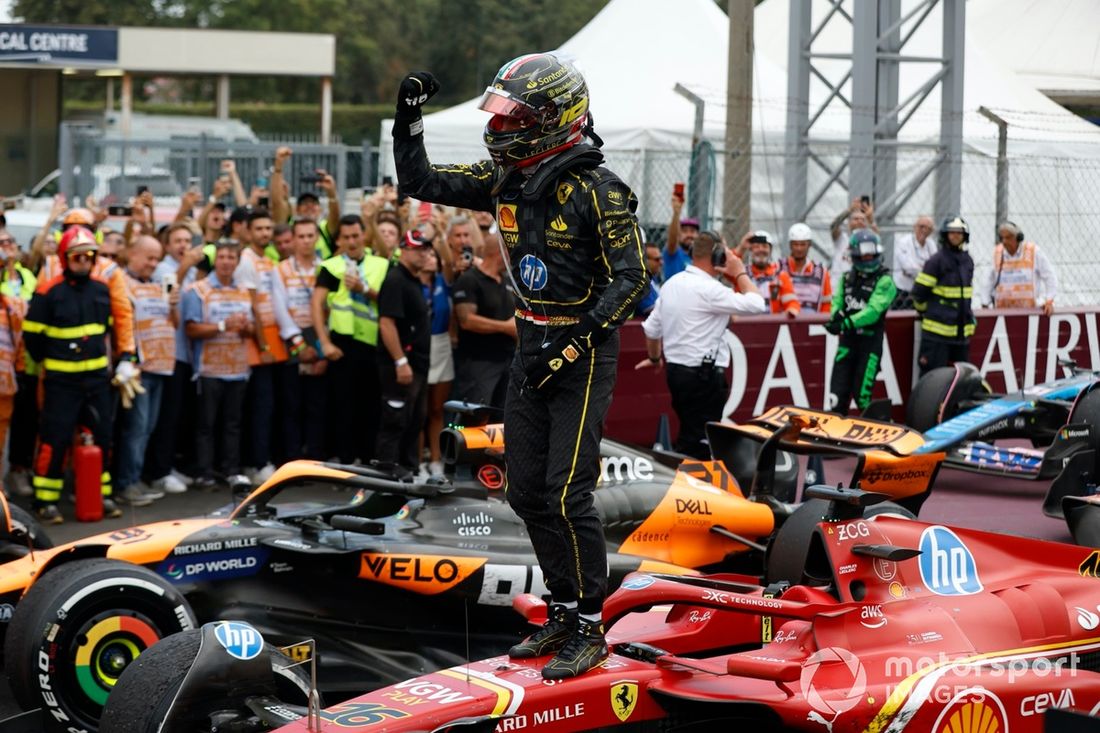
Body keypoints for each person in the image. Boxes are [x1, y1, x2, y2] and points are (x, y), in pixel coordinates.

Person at [393, 55, 648, 678]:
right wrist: (408, 119)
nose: (502, 127)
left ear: (554, 120)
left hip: (584, 352)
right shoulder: (503, 176)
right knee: (526, 491)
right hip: (532, 344)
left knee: (567, 491)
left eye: (516, 116)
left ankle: (591, 625)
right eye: (501, 114)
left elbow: (632, 279)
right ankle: (562, 610)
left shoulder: (600, 189)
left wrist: (574, 340)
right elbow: (421, 182)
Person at [24, 226, 138, 523]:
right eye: (77, 257)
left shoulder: (102, 289)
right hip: (62, 383)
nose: (84, 261)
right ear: (64, 259)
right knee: (55, 439)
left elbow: (115, 327)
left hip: (97, 381)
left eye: (89, 256)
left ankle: (102, 495)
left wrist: (126, 358)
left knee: (102, 437)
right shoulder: (48, 293)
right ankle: (44, 501)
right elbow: (33, 338)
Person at [639, 231, 765, 457]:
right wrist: (740, 274)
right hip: (703, 379)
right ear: (717, 255)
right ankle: (692, 489)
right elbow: (756, 303)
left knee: (691, 435)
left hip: (677, 373)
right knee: (699, 444)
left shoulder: (672, 284)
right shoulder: (709, 289)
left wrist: (655, 358)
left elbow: (651, 329)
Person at [311, 215, 390, 465]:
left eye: (356, 235)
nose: (352, 241)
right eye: (346, 237)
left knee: (372, 407)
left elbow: (389, 301)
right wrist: (324, 343)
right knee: (343, 407)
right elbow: (316, 304)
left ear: (364, 235)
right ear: (339, 240)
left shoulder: (381, 264)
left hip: (374, 344)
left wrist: (364, 289)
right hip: (343, 345)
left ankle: (368, 461)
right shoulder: (332, 266)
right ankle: (346, 462)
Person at [182, 240, 253, 490]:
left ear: (237, 262)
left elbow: (252, 329)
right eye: (221, 257)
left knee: (233, 424)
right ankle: (204, 472)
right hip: (208, 369)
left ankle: (231, 470)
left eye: (231, 258)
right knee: (206, 424)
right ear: (215, 261)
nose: (226, 262)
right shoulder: (198, 290)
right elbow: (190, 328)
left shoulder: (244, 291)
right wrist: (223, 326)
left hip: (237, 370)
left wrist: (246, 328)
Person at [116, 236, 179, 505]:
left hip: (161, 366)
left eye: (157, 259)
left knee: (148, 428)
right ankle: (125, 484)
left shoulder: (159, 285)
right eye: (149, 258)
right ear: (132, 254)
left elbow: (173, 322)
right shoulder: (122, 281)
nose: (153, 264)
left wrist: (173, 303)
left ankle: (135, 479)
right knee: (136, 428)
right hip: (138, 369)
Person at [236, 209, 295, 483]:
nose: (264, 233)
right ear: (248, 231)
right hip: (258, 347)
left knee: (271, 406)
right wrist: (263, 345)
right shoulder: (246, 261)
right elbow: (253, 306)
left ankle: (263, 459)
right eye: (259, 229)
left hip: (274, 342)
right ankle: (258, 463)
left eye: (267, 228)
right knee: (261, 407)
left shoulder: (268, 260)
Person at [375, 230, 433, 475]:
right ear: (404, 250)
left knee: (415, 420)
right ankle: (387, 472)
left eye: (425, 249)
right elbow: (386, 323)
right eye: (418, 249)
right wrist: (400, 361)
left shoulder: (412, 279)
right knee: (395, 420)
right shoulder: (396, 280)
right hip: (401, 365)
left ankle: (409, 470)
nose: (424, 254)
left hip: (417, 364)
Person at [825, 230, 897, 413]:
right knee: (835, 398)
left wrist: (845, 323)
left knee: (862, 396)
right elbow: (837, 302)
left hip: (870, 344)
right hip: (847, 344)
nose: (868, 258)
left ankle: (883, 432)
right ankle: (834, 436)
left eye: (871, 254)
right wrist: (835, 317)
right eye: (864, 255)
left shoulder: (885, 281)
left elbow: (872, 312)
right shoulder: (845, 278)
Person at [275, 218, 325, 460]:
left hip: (319, 342)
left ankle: (315, 458)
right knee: (291, 406)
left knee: (317, 406)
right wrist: (300, 345)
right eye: (301, 236)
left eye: (310, 235)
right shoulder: (281, 269)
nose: (306, 241)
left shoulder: (325, 267)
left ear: (316, 237)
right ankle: (292, 459)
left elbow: (330, 309)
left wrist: (321, 348)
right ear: (293, 239)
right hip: (292, 343)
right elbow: (280, 310)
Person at [451, 231, 516, 409]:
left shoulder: (507, 281)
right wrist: (506, 328)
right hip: (478, 362)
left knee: (501, 418)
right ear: (501, 252)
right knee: (475, 416)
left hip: (506, 360)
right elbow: (467, 320)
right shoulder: (469, 280)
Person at [912, 216, 975, 375]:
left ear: (964, 236)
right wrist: (931, 312)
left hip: (961, 336)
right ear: (945, 236)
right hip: (937, 337)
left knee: (961, 380)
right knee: (932, 380)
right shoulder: (936, 261)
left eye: (959, 233)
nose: (955, 236)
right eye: (951, 233)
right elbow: (919, 293)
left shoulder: (967, 261)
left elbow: (966, 296)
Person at [0, 229, 37, 497]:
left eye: (10, 241)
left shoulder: (27, 275)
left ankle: (18, 471)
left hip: (26, 361)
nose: (7, 246)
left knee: (25, 421)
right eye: (1, 243)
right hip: (5, 362)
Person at [979, 221, 1057, 316]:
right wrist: (985, 303)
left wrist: (1049, 300)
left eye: (1008, 237)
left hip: (1031, 312)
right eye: (1002, 238)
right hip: (1002, 313)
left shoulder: (1033, 251)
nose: (1004, 241)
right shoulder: (997, 253)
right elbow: (987, 280)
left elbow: (1049, 276)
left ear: (1018, 238)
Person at [779, 222, 831, 313]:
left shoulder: (821, 272)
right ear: (790, 245)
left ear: (809, 245)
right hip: (785, 323)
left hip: (814, 324)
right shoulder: (779, 268)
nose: (799, 248)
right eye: (796, 244)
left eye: (803, 244)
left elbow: (826, 303)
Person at [829, 198, 877, 290]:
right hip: (837, 287)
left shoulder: (868, 242)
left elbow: (877, 237)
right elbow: (833, 226)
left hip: (859, 289)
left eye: (862, 220)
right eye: (855, 219)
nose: (859, 221)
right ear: (849, 223)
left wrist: (871, 220)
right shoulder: (842, 239)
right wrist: (849, 210)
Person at [747, 231, 799, 316]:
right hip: (745, 326)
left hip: (772, 326)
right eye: (756, 246)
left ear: (770, 251)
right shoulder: (741, 273)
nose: (761, 250)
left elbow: (791, 302)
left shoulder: (780, 275)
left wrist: (791, 310)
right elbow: (725, 265)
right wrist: (741, 247)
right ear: (750, 250)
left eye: (765, 246)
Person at [892, 216, 936, 309]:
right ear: (915, 227)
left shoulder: (931, 244)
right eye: (921, 226)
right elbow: (909, 268)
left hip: (924, 291)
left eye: (928, 228)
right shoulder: (903, 242)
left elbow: (936, 267)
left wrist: (918, 270)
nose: (924, 230)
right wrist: (927, 272)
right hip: (904, 291)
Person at [664, 190, 697, 280]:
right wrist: (676, 213)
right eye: (685, 231)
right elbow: (672, 240)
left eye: (693, 231)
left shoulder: (698, 259)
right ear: (679, 234)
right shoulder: (674, 253)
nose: (689, 235)